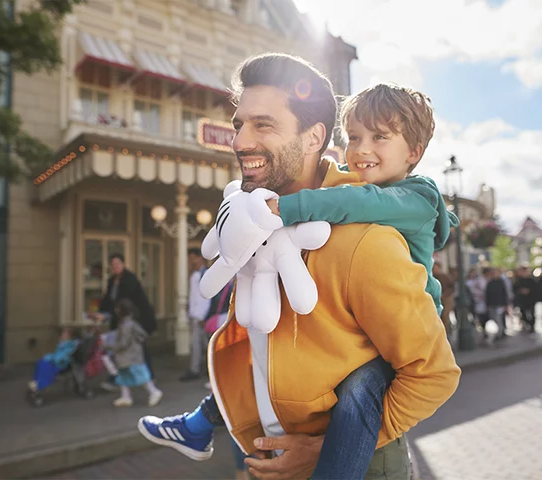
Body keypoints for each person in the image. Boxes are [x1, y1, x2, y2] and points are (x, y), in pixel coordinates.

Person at [138, 54, 460, 480]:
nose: (239, 142)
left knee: (364, 383)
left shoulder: (368, 239)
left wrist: (327, 450)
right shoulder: (256, 220)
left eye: (263, 125)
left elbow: (434, 375)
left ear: (313, 138)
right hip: (270, 455)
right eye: (239, 125)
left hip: (354, 465)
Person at [93, 253, 157, 390]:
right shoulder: (112, 281)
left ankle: (149, 378)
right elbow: (108, 300)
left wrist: (107, 315)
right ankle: (119, 381)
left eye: (117, 264)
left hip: (136, 319)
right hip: (120, 319)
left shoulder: (130, 279)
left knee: (138, 350)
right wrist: (99, 312)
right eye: (113, 265)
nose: (115, 267)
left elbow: (123, 300)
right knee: (120, 350)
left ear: (123, 264)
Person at [107, 298, 162, 407]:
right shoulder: (129, 323)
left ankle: (154, 391)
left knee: (140, 375)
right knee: (123, 376)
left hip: (130, 356)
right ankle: (125, 396)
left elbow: (124, 342)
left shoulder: (126, 325)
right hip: (129, 356)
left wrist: (112, 347)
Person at [180, 248, 212, 382]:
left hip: (203, 316)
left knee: (204, 344)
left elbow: (210, 297)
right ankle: (199, 369)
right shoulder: (194, 275)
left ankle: (200, 369)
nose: (191, 261)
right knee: (197, 344)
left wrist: (204, 316)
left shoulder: (207, 274)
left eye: (193, 258)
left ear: (200, 258)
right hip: (195, 314)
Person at [27, 328, 80, 392]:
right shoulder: (63, 344)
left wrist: (50, 358)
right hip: (57, 361)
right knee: (40, 362)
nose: (62, 335)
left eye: (64, 333)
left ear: (69, 336)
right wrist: (48, 356)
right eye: (63, 333)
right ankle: (35, 382)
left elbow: (61, 357)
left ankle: (39, 385)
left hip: (61, 364)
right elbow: (57, 354)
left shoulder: (70, 345)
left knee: (45, 365)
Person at [486, 267, 508, 339]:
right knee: (494, 318)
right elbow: (487, 294)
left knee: (499, 319)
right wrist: (488, 304)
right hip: (492, 304)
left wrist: (505, 304)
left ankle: (500, 333)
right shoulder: (490, 283)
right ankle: (498, 332)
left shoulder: (501, 282)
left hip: (499, 304)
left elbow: (504, 294)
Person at [513, 266, 537, 333]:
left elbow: (536, 289)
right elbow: (515, 289)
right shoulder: (518, 280)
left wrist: (529, 291)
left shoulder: (531, 280)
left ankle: (532, 325)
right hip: (522, 300)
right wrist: (520, 291)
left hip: (531, 299)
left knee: (532, 313)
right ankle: (526, 323)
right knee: (523, 313)